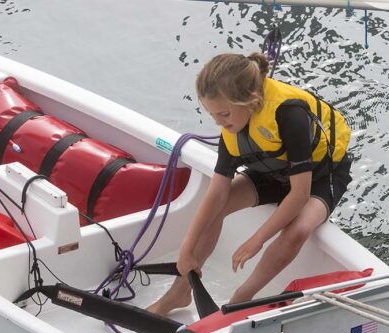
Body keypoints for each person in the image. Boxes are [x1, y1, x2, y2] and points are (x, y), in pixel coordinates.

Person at [147, 52, 352, 315]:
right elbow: (216, 194)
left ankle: (241, 298)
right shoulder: (232, 127)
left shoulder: (290, 114)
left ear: (250, 100)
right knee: (217, 209)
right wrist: (186, 251)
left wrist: (257, 239)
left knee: (299, 228)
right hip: (273, 170)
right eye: (213, 116)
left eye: (223, 114)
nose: (220, 123)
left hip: (321, 176)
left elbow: (299, 195)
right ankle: (178, 293)